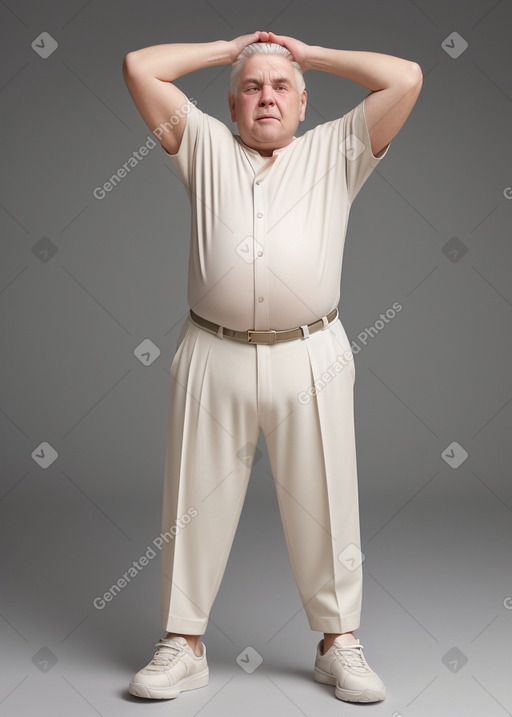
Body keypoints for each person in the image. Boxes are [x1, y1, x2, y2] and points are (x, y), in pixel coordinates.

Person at [122, 30, 422, 704]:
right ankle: (182, 642)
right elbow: (140, 67)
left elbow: (405, 77)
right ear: (231, 107)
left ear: (303, 103)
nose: (266, 97)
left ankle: (338, 641)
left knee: (327, 501)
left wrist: (308, 54)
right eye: (252, 87)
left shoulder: (338, 150)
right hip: (212, 348)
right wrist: (228, 48)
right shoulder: (201, 146)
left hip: (310, 353)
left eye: (281, 87)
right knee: (190, 503)